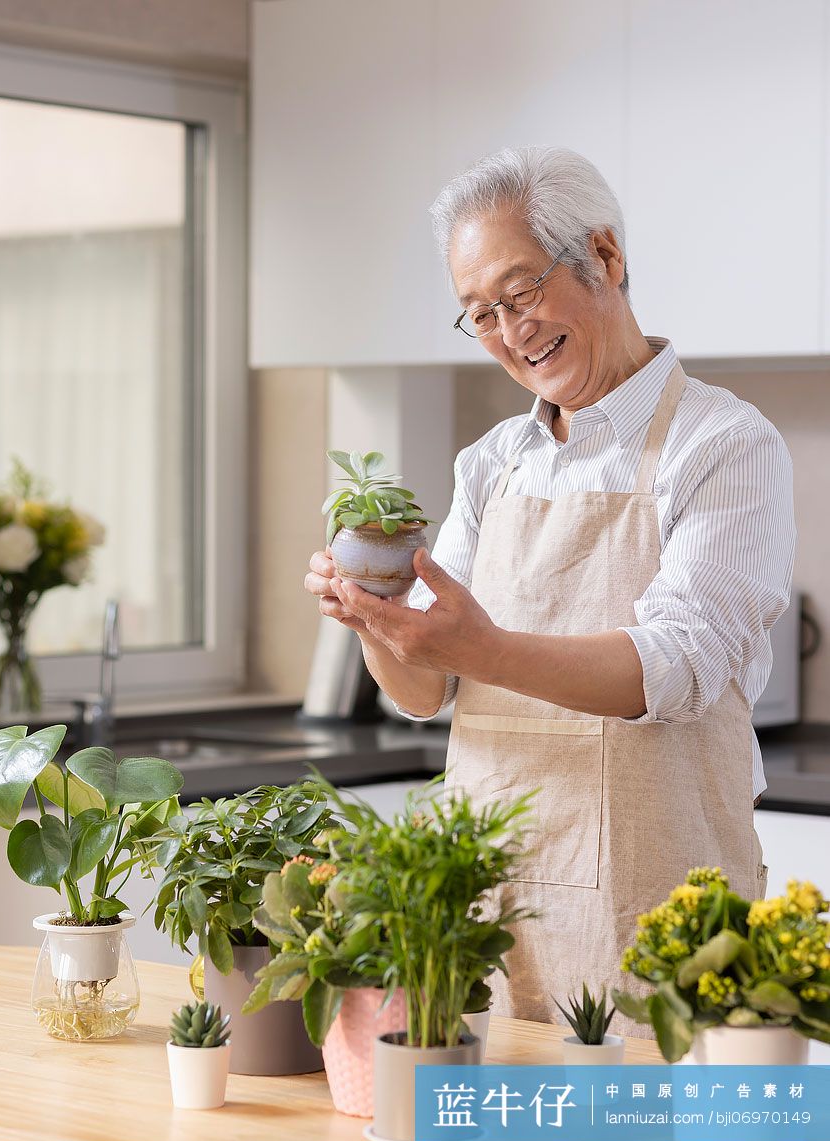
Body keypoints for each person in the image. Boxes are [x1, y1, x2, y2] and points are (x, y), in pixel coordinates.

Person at [305, 147, 796, 1034]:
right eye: (479, 313)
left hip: (658, 899)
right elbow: (424, 693)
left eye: (521, 291)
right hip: (489, 910)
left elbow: (674, 666)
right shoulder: (492, 462)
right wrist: (373, 620)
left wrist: (470, 644)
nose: (509, 329)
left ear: (603, 257)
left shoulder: (722, 443)